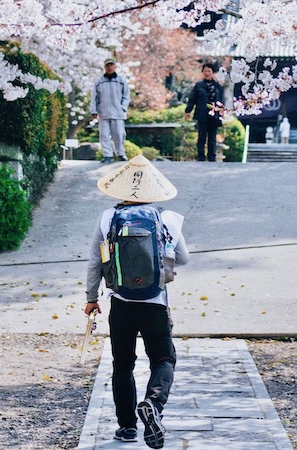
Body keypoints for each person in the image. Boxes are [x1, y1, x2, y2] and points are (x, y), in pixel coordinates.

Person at [85, 155, 190, 449]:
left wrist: (91, 299)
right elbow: (182, 258)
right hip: (155, 302)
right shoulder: (167, 218)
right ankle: (153, 405)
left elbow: (95, 261)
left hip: (121, 303)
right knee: (163, 357)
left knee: (123, 364)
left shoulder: (108, 218)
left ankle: (127, 427)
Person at [91, 58, 130, 163]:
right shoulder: (99, 82)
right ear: (104, 67)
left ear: (115, 66)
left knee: (119, 134)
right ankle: (107, 155)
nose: (109, 67)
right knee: (104, 135)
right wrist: (94, 111)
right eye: (107, 65)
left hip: (118, 113)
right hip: (103, 113)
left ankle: (120, 153)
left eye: (111, 65)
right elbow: (94, 97)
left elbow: (126, 96)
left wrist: (123, 107)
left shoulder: (121, 81)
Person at [184, 63, 223, 161]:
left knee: (212, 137)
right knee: (201, 136)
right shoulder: (198, 85)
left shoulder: (217, 86)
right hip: (202, 114)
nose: (206, 73)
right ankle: (200, 156)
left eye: (209, 71)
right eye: (205, 71)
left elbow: (221, 100)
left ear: (213, 73)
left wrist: (222, 113)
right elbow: (192, 99)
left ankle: (211, 157)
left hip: (214, 115)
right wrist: (188, 111)